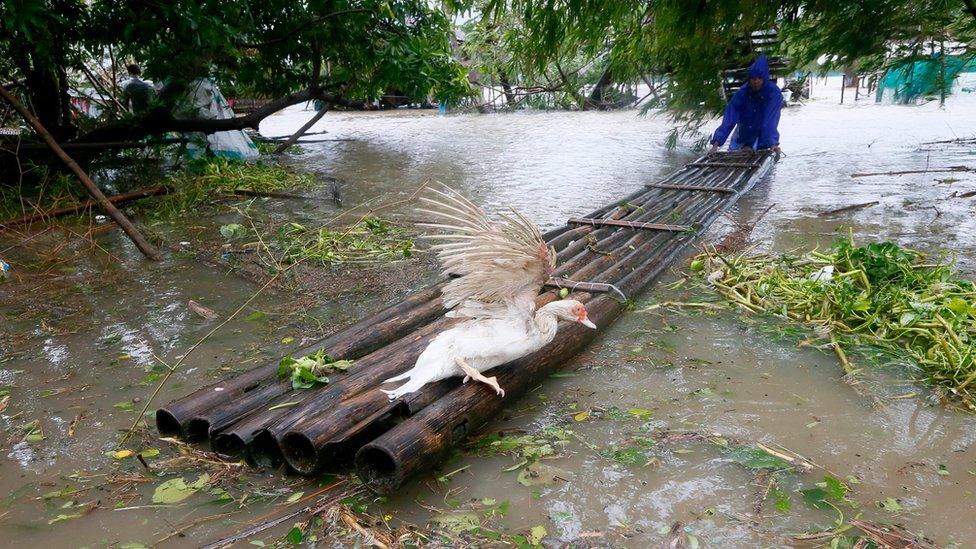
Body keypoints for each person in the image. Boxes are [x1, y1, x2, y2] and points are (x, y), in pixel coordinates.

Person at [709, 55, 782, 154]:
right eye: (752, 78)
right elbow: (729, 118)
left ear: (764, 78)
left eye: (759, 78)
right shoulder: (742, 93)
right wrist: (716, 144)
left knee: (759, 149)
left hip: (762, 133)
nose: (756, 81)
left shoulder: (773, 93)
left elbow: (770, 120)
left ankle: (763, 146)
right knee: (734, 153)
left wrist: (773, 143)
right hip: (743, 130)